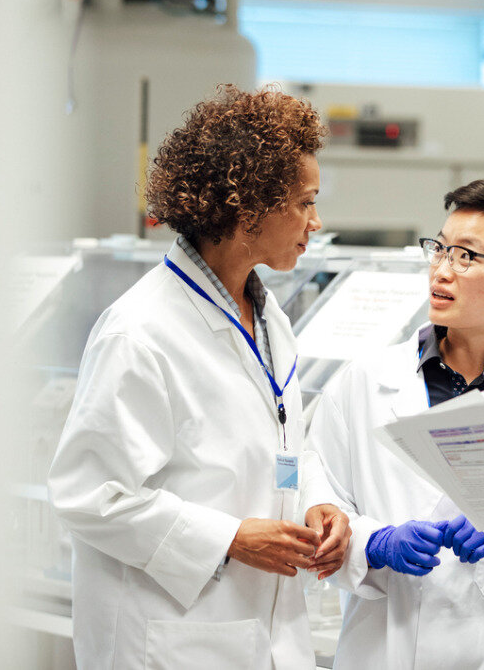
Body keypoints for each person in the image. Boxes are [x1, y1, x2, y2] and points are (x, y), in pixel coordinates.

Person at [48, 86, 351, 670]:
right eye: (304, 203)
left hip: (263, 628)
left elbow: (284, 443)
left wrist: (319, 502)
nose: (316, 222)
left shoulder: (269, 318)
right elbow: (88, 495)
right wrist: (229, 538)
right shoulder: (140, 332)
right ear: (248, 206)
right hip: (168, 637)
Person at [301, 178, 484, 669]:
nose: (441, 270)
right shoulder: (362, 384)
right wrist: (373, 544)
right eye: (440, 249)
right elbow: (316, 511)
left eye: (466, 256)